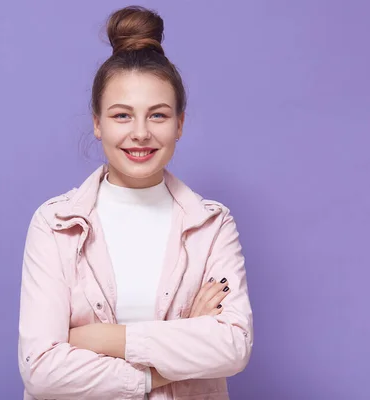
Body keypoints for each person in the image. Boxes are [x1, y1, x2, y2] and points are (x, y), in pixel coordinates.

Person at [18, 5, 253, 399]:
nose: (140, 133)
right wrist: (179, 344)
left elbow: (233, 347)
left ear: (179, 123)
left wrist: (104, 339)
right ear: (97, 123)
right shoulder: (56, 223)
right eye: (122, 115)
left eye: (158, 115)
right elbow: (41, 370)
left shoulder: (212, 225)